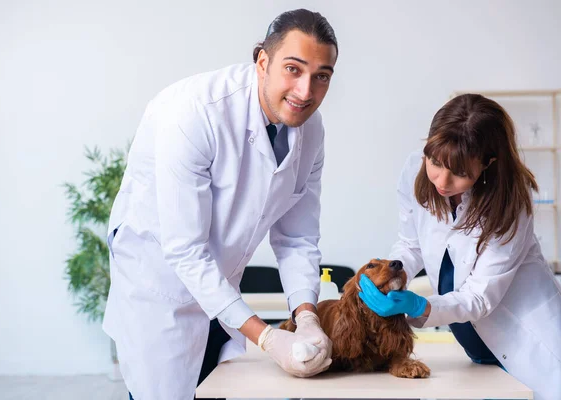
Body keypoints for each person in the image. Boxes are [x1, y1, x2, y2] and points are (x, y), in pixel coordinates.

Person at [102, 9, 338, 400]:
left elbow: (297, 239)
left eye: (321, 76)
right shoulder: (194, 113)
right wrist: (266, 339)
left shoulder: (310, 130)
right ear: (262, 60)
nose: (305, 91)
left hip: (222, 287)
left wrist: (307, 316)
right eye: (293, 69)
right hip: (162, 291)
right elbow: (185, 251)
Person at [359, 94, 561, 400]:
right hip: (473, 341)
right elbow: (411, 244)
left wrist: (419, 306)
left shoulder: (510, 206)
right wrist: (393, 274)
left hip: (525, 338)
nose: (441, 180)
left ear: (488, 162)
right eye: (435, 162)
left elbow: (480, 298)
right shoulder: (415, 168)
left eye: (461, 173)